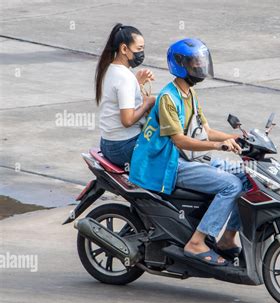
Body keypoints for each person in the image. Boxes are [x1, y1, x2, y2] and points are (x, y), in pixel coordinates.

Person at [129, 38, 249, 266]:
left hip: (188, 158)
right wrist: (217, 146)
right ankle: (196, 242)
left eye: (201, 62)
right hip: (169, 163)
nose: (199, 67)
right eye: (195, 63)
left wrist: (236, 138)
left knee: (246, 176)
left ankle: (227, 238)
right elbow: (180, 140)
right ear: (180, 64)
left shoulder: (189, 94)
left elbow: (205, 130)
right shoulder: (168, 98)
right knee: (230, 185)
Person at [95, 23, 156, 168]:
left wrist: (138, 83)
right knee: (167, 148)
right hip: (124, 146)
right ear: (124, 48)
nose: (141, 53)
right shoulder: (125, 78)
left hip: (107, 143)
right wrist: (148, 102)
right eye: (139, 49)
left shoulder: (109, 69)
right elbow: (127, 120)